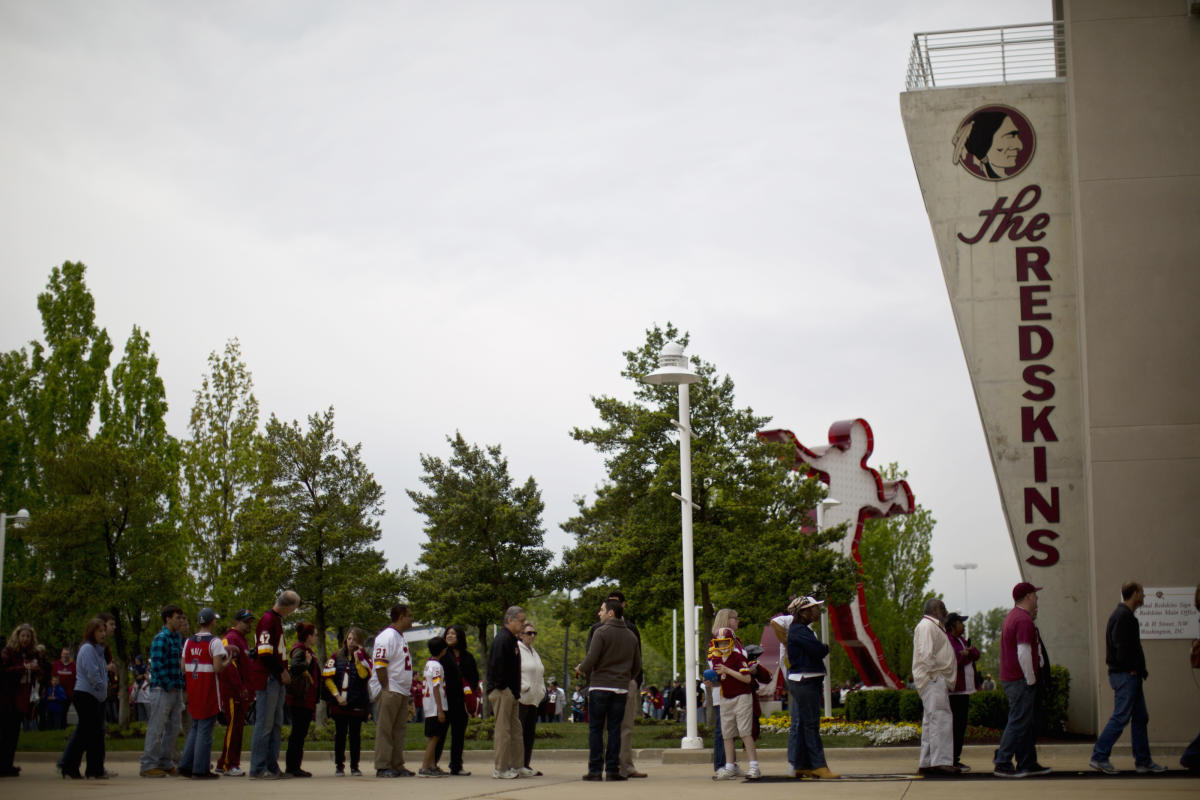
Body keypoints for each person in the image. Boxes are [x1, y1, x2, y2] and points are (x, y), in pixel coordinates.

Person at [1089, 581, 1168, 774]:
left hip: (1130, 675)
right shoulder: (1123, 617)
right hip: (1126, 676)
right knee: (1121, 716)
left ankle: (1143, 761)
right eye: (1142, 593)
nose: (1144, 597)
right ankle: (1099, 756)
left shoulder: (1124, 616)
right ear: (1134, 594)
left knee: (1141, 717)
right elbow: (1121, 647)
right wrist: (1131, 668)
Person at [576, 597, 640, 782]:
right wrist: (625, 677)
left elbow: (592, 658)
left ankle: (595, 770)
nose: (599, 613)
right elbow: (637, 666)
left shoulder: (600, 632)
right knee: (615, 729)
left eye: (602, 610)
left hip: (600, 687)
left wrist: (581, 668)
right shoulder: (631, 635)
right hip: (620, 689)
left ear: (611, 612)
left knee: (596, 729)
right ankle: (613, 770)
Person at [993, 582, 1051, 777]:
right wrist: (1031, 679)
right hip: (1020, 679)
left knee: (1024, 721)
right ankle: (1002, 762)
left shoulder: (1012, 617)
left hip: (1012, 678)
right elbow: (1024, 652)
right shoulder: (1023, 620)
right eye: (1035, 594)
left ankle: (1027, 762)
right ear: (1028, 596)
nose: (1037, 598)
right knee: (1018, 721)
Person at [248, 589, 299, 780]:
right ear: (289, 606)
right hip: (268, 679)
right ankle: (258, 768)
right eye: (294, 608)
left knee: (276, 724)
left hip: (275, 680)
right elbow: (265, 653)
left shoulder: (275, 621)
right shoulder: (268, 621)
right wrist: (281, 671)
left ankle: (272, 765)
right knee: (265, 725)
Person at [786, 596, 838, 779]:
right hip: (804, 680)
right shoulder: (798, 631)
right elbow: (818, 650)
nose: (817, 611)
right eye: (813, 608)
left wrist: (820, 647)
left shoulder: (803, 630)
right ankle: (818, 765)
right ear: (803, 612)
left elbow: (817, 649)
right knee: (810, 724)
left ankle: (801, 764)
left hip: (807, 679)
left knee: (804, 724)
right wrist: (822, 647)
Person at [179, 608, 229, 780]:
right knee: (205, 730)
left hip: (193, 687)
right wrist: (227, 661)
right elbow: (217, 667)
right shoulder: (214, 642)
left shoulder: (189, 641)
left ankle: (186, 764)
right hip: (207, 689)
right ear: (211, 622)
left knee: (195, 727)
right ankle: (200, 769)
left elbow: (183, 667)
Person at [139, 604, 187, 778]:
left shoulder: (176, 639)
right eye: (177, 617)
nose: (180, 620)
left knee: (173, 728)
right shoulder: (161, 638)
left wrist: (179, 684)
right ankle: (148, 764)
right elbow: (157, 666)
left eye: (181, 618)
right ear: (168, 618)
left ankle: (165, 762)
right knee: (156, 727)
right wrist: (169, 684)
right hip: (162, 689)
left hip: (176, 688)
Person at [912, 598, 957, 776]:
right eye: (944, 608)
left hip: (934, 679)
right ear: (936, 609)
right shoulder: (927, 626)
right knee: (941, 720)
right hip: (934, 679)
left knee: (932, 721)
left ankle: (928, 761)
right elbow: (926, 654)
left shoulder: (932, 626)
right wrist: (935, 675)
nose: (946, 612)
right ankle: (941, 761)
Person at [59, 619, 108, 779]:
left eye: (104, 631)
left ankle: (95, 769)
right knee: (85, 732)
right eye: (99, 631)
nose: (103, 634)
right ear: (91, 632)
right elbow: (92, 674)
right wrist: (102, 687)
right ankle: (69, 766)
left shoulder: (99, 650)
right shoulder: (87, 649)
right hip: (86, 694)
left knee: (96, 734)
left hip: (96, 696)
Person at [710, 624, 761, 780]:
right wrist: (711, 682)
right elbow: (721, 680)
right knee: (727, 734)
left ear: (731, 642)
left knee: (745, 732)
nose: (722, 646)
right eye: (719, 643)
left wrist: (728, 670)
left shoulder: (738, 657)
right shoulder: (716, 658)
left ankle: (754, 766)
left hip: (742, 696)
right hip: (726, 697)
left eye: (725, 642)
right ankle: (729, 766)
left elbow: (746, 678)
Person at [370, 602, 415, 778]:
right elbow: (380, 664)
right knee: (386, 729)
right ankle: (383, 765)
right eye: (410, 616)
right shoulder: (386, 636)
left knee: (398, 730)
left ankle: (397, 764)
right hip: (391, 689)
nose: (412, 619)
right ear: (401, 617)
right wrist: (385, 687)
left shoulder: (400, 637)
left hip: (401, 690)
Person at [0, 623, 48, 777]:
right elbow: (4, 670)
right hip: (8, 696)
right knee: (5, 732)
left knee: (14, 733)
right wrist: (24, 668)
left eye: (28, 636)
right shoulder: (8, 652)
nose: (25, 639)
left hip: (23, 697)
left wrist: (36, 668)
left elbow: (42, 671)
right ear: (17, 636)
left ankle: (8, 764)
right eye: (23, 636)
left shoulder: (31, 654)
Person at [323, 627, 371, 776]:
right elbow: (328, 678)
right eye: (349, 639)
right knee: (340, 735)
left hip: (357, 702)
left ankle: (355, 766)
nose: (351, 642)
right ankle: (339, 765)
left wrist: (359, 659)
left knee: (355, 736)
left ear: (360, 642)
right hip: (340, 702)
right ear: (345, 640)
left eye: (355, 639)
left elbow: (364, 675)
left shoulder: (364, 658)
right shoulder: (336, 656)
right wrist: (337, 696)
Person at [486, 605, 526, 780]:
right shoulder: (502, 639)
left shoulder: (512, 640)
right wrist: (504, 688)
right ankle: (500, 768)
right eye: (521, 621)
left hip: (512, 692)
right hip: (502, 691)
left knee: (516, 731)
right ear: (510, 620)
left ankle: (517, 765)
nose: (523, 625)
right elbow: (497, 666)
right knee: (503, 731)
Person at [215, 609, 254, 777]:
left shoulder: (243, 641)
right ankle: (227, 764)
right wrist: (240, 687)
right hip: (233, 691)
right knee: (233, 727)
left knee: (238, 728)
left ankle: (228, 762)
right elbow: (228, 666)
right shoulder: (229, 639)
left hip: (243, 692)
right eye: (246, 621)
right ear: (237, 622)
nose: (249, 625)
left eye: (251, 621)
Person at [705, 608, 743, 777]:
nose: (737, 621)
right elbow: (714, 665)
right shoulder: (716, 642)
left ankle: (730, 763)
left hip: (736, 689)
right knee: (722, 729)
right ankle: (721, 765)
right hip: (722, 690)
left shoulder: (736, 640)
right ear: (727, 620)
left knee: (732, 730)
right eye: (735, 618)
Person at [945, 612, 980, 771]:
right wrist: (967, 655)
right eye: (961, 622)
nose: (964, 625)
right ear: (952, 625)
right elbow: (954, 660)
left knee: (961, 726)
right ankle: (952, 759)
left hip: (965, 690)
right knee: (956, 726)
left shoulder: (960, 640)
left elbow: (976, 654)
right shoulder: (949, 640)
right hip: (955, 691)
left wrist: (968, 653)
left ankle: (955, 758)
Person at [284, 622, 318, 777]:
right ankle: (292, 767)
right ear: (308, 636)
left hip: (305, 699)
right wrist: (307, 663)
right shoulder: (300, 650)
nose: (316, 637)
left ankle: (295, 765)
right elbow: (295, 666)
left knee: (300, 733)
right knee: (298, 733)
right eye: (315, 635)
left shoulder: (306, 650)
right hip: (300, 699)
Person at [436, 625, 471, 775]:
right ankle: (432, 763)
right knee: (439, 734)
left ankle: (456, 765)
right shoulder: (442, 655)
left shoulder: (467, 657)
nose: (450, 636)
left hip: (460, 701)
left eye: (453, 633)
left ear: (460, 637)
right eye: (448, 633)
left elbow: (473, 677)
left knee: (458, 734)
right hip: (444, 700)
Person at [517, 621, 545, 777]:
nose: (532, 636)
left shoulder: (534, 652)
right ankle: (517, 763)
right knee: (519, 733)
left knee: (529, 733)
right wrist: (523, 687)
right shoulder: (518, 650)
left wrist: (542, 690)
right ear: (521, 635)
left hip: (534, 699)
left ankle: (526, 763)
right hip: (522, 698)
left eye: (534, 633)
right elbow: (514, 672)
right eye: (529, 633)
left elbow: (540, 672)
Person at [419, 636, 449, 777]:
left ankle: (431, 765)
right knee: (434, 737)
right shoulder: (437, 666)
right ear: (443, 650)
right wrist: (440, 709)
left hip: (429, 706)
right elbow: (436, 688)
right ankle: (425, 766)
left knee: (435, 736)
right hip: (435, 706)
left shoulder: (429, 664)